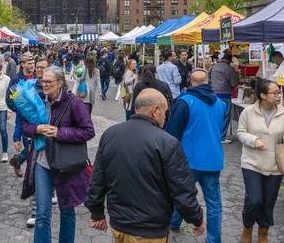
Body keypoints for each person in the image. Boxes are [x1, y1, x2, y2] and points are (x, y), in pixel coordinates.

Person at [85, 88, 205, 242]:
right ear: (155, 110)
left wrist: (96, 212)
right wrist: (198, 219)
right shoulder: (167, 142)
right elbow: (182, 190)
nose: (165, 117)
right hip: (150, 231)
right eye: (165, 112)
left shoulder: (110, 134)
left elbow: (98, 177)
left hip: (119, 225)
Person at [21, 66, 95, 243]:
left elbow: (88, 131)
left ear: (60, 83)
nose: (44, 85)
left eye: (48, 81)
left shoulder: (73, 102)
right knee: (42, 213)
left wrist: (59, 132)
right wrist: (36, 129)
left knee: (67, 210)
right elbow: (24, 125)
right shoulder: (38, 99)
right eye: (43, 81)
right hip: (42, 162)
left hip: (65, 164)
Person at [165, 69, 226, 241]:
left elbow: (172, 133)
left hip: (188, 160)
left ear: (190, 83)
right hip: (213, 159)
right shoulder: (221, 104)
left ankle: (174, 223)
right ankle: (214, 239)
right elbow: (220, 130)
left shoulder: (185, 102)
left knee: (180, 194)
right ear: (208, 81)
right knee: (214, 202)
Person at [237, 78, 284, 243]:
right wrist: (254, 140)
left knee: (269, 202)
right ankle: (247, 227)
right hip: (252, 162)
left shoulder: (283, 113)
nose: (279, 96)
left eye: (279, 92)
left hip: (275, 165)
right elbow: (241, 132)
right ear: (263, 95)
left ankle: (263, 233)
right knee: (254, 199)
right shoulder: (248, 112)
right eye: (275, 93)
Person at [9, 57, 48, 227]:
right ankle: (35, 212)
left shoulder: (56, 89)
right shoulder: (28, 88)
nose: (39, 70)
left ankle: (50, 196)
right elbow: (21, 115)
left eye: (42, 67)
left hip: (55, 140)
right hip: (34, 137)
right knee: (34, 174)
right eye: (37, 67)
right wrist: (17, 136)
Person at [5, 52, 36, 175]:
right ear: (22, 64)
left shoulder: (36, 76)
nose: (32, 66)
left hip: (38, 118)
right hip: (24, 120)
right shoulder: (16, 80)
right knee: (30, 150)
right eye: (29, 63)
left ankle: (17, 160)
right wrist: (20, 109)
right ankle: (31, 179)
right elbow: (10, 99)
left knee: (35, 148)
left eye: (33, 63)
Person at [208, 53, 240, 143]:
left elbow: (208, 77)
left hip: (214, 93)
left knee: (216, 115)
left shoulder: (214, 66)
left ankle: (215, 134)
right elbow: (235, 82)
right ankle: (222, 136)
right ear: (229, 60)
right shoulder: (228, 68)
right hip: (224, 94)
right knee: (225, 115)